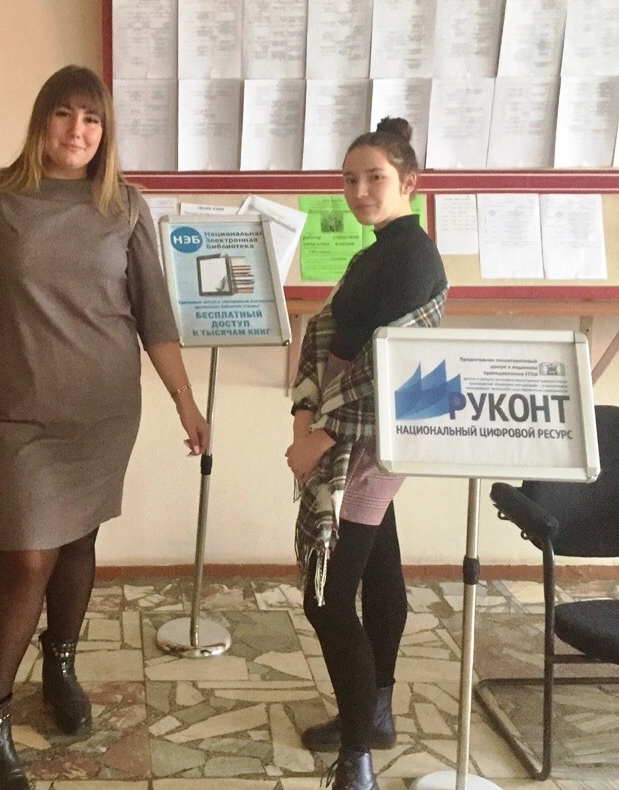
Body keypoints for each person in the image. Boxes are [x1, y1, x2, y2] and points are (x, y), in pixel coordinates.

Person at [0, 65, 209, 790]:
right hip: (17, 413)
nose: (77, 130)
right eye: (64, 114)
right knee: (28, 557)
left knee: (80, 540)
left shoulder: (124, 205)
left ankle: (60, 665)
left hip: (103, 410)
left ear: (105, 131)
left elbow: (155, 317)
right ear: (42, 120)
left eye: (92, 119)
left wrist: (185, 401)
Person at [285, 119, 448, 790]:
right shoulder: (379, 250)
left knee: (326, 601)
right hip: (355, 439)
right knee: (380, 577)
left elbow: (391, 368)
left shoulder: (412, 257)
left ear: (409, 182)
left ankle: (357, 757)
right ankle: (373, 713)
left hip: (369, 447)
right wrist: (304, 414)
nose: (359, 191)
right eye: (350, 180)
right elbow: (331, 340)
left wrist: (318, 439)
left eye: (374, 178)